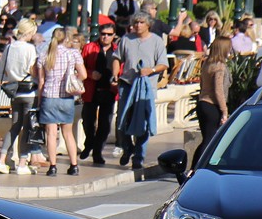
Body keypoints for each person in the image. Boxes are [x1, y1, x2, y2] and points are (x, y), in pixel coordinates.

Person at [116, 12, 166, 169]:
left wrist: (150, 70)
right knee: (122, 120)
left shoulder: (157, 41)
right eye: (135, 22)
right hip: (127, 84)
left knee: (143, 122)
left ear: (148, 24)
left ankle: (138, 157)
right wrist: (114, 74)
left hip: (146, 88)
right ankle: (127, 147)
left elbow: (163, 64)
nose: (137, 25)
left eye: (141, 22)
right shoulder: (126, 39)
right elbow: (117, 58)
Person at [0, 20, 40, 175]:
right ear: (29, 32)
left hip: (14, 90)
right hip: (28, 91)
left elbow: (4, 68)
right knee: (28, 128)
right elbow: (33, 70)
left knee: (14, 126)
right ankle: (22, 163)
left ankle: (1, 160)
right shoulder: (30, 48)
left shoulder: (8, 47)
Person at [35, 27, 83, 176]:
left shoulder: (45, 55)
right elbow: (84, 74)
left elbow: (41, 81)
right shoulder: (72, 54)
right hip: (66, 96)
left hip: (49, 96)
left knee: (51, 133)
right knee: (68, 133)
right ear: (66, 38)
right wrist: (74, 81)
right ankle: (74, 165)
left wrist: (39, 99)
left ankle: (53, 166)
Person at [78, 23, 120, 165]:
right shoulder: (90, 47)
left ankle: (97, 152)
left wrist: (117, 79)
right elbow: (79, 66)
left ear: (114, 36)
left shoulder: (117, 50)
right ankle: (89, 141)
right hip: (91, 89)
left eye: (109, 34)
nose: (105, 37)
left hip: (109, 90)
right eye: (103, 34)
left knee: (105, 124)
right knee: (87, 120)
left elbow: (122, 67)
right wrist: (90, 74)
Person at [195, 37, 233, 165]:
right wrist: (224, 110)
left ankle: (194, 167)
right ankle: (196, 168)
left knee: (206, 139)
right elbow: (219, 90)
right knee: (210, 140)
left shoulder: (207, 63)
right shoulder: (220, 66)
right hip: (212, 105)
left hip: (202, 103)